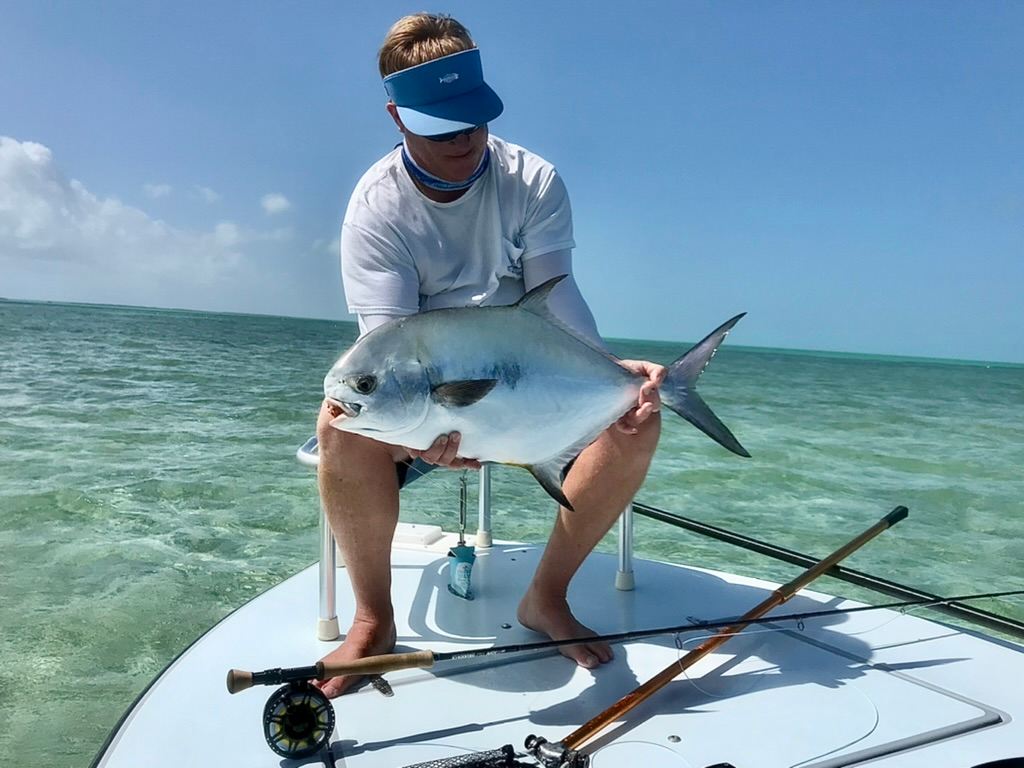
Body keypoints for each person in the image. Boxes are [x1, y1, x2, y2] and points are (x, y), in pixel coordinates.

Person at [314, 12, 665, 698]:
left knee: (637, 422)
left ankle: (546, 599)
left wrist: (616, 375)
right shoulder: (377, 210)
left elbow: (557, 305)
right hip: (432, 403)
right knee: (340, 425)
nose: (464, 140)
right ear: (396, 117)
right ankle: (374, 619)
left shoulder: (533, 181)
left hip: (525, 386)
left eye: (473, 120)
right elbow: (389, 348)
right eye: (441, 126)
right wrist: (428, 437)